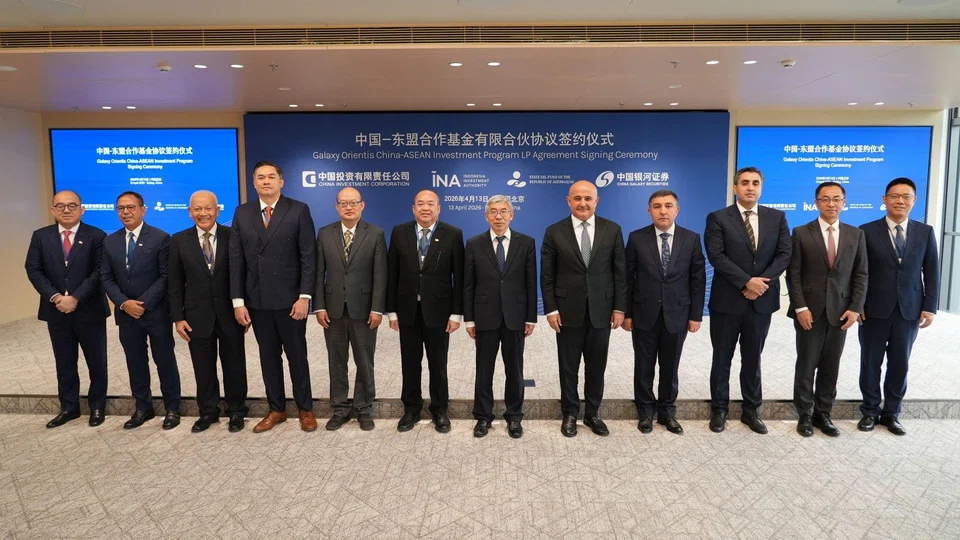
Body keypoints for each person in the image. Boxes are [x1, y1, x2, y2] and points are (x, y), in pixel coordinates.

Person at [230, 161, 318, 432]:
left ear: (281, 181)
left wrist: (305, 296)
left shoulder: (298, 210)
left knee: (297, 356)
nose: (266, 181)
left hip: (291, 300)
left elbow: (308, 257)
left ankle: (305, 408)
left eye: (271, 177)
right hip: (257, 301)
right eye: (260, 177)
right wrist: (238, 301)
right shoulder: (242, 213)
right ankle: (276, 408)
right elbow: (236, 260)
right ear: (254, 183)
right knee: (268, 357)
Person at [704, 166, 791, 434]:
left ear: (761, 188)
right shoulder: (718, 218)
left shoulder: (776, 218)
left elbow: (784, 254)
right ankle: (719, 410)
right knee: (722, 358)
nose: (750, 187)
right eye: (744, 183)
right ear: (735, 188)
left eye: (755, 183)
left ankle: (751, 410)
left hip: (760, 301)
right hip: (727, 300)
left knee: (753, 357)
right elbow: (716, 256)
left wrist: (759, 284)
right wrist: (746, 281)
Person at [541, 180, 626, 437]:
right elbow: (547, 276)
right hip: (567, 312)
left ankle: (592, 413)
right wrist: (551, 309)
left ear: (596, 201)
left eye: (588, 198)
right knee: (568, 365)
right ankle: (569, 413)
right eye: (577, 198)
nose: (582, 203)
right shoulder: (554, 231)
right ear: (568, 201)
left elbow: (620, 272)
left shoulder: (612, 230)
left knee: (596, 365)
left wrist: (620, 308)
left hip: (602, 310)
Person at [857, 177, 939, 436]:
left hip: (909, 310)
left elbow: (932, 272)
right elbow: (859, 273)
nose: (900, 201)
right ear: (884, 200)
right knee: (871, 362)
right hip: (873, 309)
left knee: (900, 363)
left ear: (914, 201)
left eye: (906, 197)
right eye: (895, 196)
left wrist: (930, 306)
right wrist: (857, 304)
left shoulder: (925, 232)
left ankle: (891, 413)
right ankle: (870, 411)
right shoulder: (866, 231)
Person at [786, 182, 868, 437]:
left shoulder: (856, 235)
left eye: (836, 199)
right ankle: (805, 415)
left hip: (841, 312)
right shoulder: (801, 232)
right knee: (806, 364)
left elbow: (861, 274)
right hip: (808, 311)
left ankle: (824, 413)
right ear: (816, 203)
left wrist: (855, 308)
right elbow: (794, 274)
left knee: (831, 365)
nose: (831, 204)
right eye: (825, 199)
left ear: (844, 203)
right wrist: (800, 307)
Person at [623, 190, 705, 435]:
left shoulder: (691, 239)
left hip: (678, 314)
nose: (663, 210)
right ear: (649, 211)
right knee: (644, 365)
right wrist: (627, 314)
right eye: (657, 206)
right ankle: (645, 412)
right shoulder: (637, 238)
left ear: (677, 210)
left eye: (668, 206)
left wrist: (696, 315)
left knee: (670, 366)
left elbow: (697, 280)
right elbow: (627, 279)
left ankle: (667, 412)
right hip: (643, 314)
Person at [25, 190, 110, 428]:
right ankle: (69, 407)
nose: (66, 210)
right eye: (60, 206)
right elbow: (33, 270)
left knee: (97, 362)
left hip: (89, 309)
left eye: (72, 206)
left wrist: (76, 298)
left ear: (82, 209)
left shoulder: (97, 235)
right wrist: (55, 297)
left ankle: (97, 407)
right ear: (53, 210)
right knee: (64, 362)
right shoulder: (40, 236)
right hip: (56, 311)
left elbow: (99, 271)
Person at [168, 190, 249, 433]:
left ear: (218, 210)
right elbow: (174, 283)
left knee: (234, 365)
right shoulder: (179, 240)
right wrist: (178, 318)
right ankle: (208, 412)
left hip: (229, 314)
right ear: (189, 212)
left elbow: (242, 275)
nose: (203, 213)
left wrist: (243, 307)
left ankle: (236, 411)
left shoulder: (232, 236)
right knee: (203, 367)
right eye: (197, 209)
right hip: (196, 316)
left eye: (208, 208)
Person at [101, 191, 181, 429]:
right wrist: (124, 303)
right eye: (121, 208)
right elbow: (105, 277)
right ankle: (142, 407)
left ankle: (172, 408)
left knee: (164, 361)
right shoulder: (109, 241)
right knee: (135, 362)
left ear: (143, 209)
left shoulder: (160, 238)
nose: (125, 212)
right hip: (126, 315)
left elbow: (166, 276)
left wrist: (142, 304)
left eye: (130, 207)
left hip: (155, 312)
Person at [387, 189, 464, 433]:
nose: (425, 208)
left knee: (437, 364)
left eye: (431, 204)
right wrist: (391, 311)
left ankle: (440, 410)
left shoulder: (452, 234)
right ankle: (411, 409)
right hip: (407, 310)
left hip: (439, 313)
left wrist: (456, 314)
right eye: (420, 204)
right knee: (410, 363)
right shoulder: (399, 232)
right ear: (413, 208)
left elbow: (459, 278)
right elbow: (392, 274)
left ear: (439, 208)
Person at [314, 187, 387, 432]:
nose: (348, 207)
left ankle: (364, 408)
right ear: (336, 207)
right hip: (332, 309)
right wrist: (319, 306)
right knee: (337, 360)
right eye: (343, 203)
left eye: (353, 203)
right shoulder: (325, 233)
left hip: (364, 309)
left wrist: (377, 308)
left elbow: (380, 275)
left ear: (362, 205)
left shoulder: (376, 233)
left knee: (364, 360)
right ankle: (340, 408)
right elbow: (318, 273)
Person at [464, 195, 537, 439]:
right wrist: (470, 319)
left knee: (514, 369)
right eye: (493, 211)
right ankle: (483, 417)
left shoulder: (526, 243)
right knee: (484, 369)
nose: (498, 216)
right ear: (486, 216)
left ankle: (514, 417)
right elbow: (468, 284)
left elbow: (530, 282)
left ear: (511, 215)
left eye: (504, 211)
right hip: (485, 316)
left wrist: (531, 317)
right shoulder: (474, 243)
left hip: (515, 317)